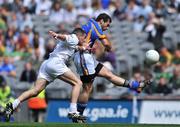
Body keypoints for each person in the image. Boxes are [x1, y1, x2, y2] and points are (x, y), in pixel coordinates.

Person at [73, 13, 151, 123]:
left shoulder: (90, 25)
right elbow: (107, 44)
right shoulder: (96, 26)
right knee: (87, 88)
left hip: (88, 58)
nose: (107, 27)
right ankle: (78, 116)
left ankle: (136, 86)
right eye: (107, 24)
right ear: (101, 21)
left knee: (108, 74)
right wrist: (108, 48)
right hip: (83, 58)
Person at [3, 28, 87, 122]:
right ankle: (73, 111)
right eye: (84, 38)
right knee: (78, 83)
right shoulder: (74, 38)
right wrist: (57, 35)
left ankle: (12, 105)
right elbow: (66, 37)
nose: (84, 40)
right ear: (79, 35)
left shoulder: (72, 44)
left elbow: (74, 47)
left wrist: (83, 48)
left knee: (35, 91)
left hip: (47, 64)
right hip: (56, 63)